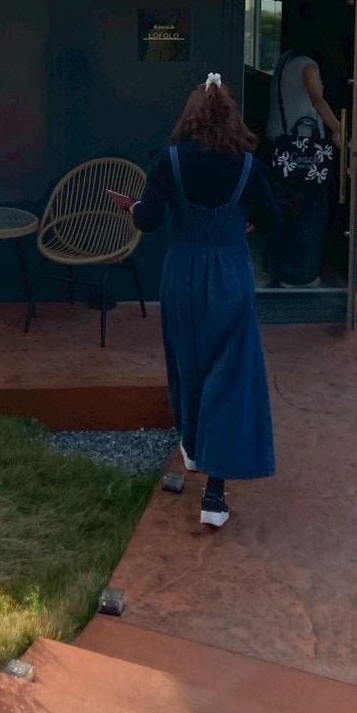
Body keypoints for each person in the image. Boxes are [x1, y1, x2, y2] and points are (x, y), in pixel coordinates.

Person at [109, 73, 280, 529]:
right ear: (231, 116)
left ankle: (192, 444)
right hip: (231, 276)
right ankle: (215, 495)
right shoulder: (247, 166)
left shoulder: (170, 160)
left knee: (188, 364)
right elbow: (272, 217)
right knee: (230, 376)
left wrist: (132, 208)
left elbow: (148, 221)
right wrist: (243, 224)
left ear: (190, 115)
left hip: (182, 276)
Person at [266, 51, 343, 288]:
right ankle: (301, 274)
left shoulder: (284, 61)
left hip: (281, 147)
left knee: (285, 211)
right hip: (304, 150)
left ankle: (277, 266)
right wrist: (338, 128)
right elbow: (317, 99)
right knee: (310, 213)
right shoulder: (307, 65)